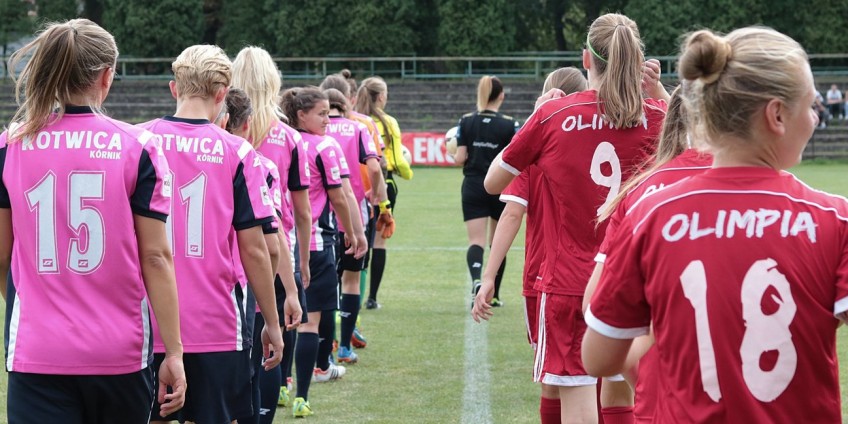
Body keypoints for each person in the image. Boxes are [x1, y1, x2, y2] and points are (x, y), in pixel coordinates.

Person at [583, 27, 848, 423]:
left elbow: (598, 358)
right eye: (811, 106)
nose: (815, 118)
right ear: (776, 114)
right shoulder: (833, 218)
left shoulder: (650, 215)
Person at [484, 13, 667, 424]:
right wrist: (657, 91)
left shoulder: (553, 115)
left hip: (569, 281)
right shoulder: (656, 115)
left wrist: (536, 118)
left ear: (587, 58)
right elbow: (698, 147)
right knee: (632, 394)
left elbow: (493, 183)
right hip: (635, 279)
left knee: (577, 392)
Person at [0, 19, 186, 423]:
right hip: (119, 352)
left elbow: (1, 255)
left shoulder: (10, 145)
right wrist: (173, 352)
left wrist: (34, 308)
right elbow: (156, 258)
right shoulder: (139, 147)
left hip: (38, 350)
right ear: (106, 76)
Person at [141, 45, 284, 424]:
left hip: (147, 321)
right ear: (222, 95)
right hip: (216, 322)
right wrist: (271, 322)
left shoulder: (137, 141)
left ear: (174, 88)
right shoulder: (238, 152)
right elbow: (259, 250)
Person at [581, 86, 712, 423]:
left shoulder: (641, 191)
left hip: (664, 399)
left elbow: (594, 304)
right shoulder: (770, 193)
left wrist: (639, 375)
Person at [471, 67, 586, 422]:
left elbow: (511, 214)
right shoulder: (600, 138)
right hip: (602, 272)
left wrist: (488, 277)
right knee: (600, 378)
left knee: (554, 379)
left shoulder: (538, 144)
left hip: (549, 278)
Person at [231, 46, 312, 413]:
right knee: (272, 336)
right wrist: (301, 264)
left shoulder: (222, 131)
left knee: (240, 343)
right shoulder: (290, 138)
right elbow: (301, 210)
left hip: (231, 248)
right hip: (275, 248)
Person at [281, 86, 360, 418]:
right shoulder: (324, 146)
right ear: (302, 115)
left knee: (282, 319)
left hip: (279, 243)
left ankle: (281, 384)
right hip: (313, 242)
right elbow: (340, 196)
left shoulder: (282, 140)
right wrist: (352, 232)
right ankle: (302, 395)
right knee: (309, 321)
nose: (329, 120)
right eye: (322, 114)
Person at [323, 87, 385, 364]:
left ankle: (326, 347)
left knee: (327, 283)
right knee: (351, 280)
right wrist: (376, 193)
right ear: (345, 103)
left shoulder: (314, 129)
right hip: (354, 212)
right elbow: (374, 167)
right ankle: (345, 347)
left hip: (322, 217)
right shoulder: (358, 128)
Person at [452, 75, 520, 306]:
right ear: (501, 95)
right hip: (500, 186)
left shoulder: (466, 121)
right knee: (497, 242)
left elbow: (460, 158)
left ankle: (476, 282)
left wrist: (451, 152)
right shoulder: (510, 124)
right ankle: (495, 294)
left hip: (473, 185)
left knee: (476, 241)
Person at [356, 76, 412, 310]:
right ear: (380, 97)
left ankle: (349, 296)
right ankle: (371, 298)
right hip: (382, 186)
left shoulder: (353, 119)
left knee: (355, 240)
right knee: (379, 241)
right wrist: (407, 172)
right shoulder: (388, 123)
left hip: (355, 185)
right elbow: (397, 160)